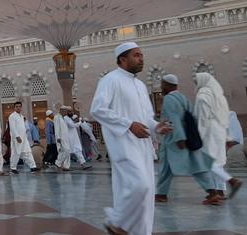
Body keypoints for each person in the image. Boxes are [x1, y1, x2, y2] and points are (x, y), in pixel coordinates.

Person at [90, 42, 171, 235]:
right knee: (139, 186)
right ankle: (117, 222)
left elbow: (146, 119)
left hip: (143, 146)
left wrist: (156, 127)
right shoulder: (110, 80)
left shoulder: (141, 85)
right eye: (136, 55)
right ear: (122, 59)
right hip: (123, 144)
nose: (141, 59)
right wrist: (128, 124)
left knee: (146, 195)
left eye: (141, 55)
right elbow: (97, 109)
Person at [154, 74, 217, 205]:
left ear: (167, 85)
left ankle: (161, 194)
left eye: (162, 84)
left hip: (174, 140)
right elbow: (192, 117)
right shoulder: (183, 97)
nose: (161, 87)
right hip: (187, 138)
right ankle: (161, 193)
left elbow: (174, 119)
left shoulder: (169, 99)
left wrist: (180, 138)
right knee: (187, 165)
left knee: (169, 164)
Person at [194, 72, 243, 199]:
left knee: (209, 163)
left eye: (196, 81)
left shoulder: (202, 95)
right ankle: (220, 190)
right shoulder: (216, 94)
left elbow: (203, 118)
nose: (195, 83)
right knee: (218, 162)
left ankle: (232, 181)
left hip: (209, 132)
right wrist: (226, 136)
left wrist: (199, 135)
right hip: (219, 130)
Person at [8, 102, 39, 174]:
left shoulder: (21, 116)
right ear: (14, 107)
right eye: (17, 106)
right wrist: (17, 136)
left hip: (24, 139)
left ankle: (33, 167)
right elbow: (12, 128)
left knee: (27, 152)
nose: (18, 108)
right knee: (16, 153)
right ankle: (13, 168)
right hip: (17, 139)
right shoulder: (12, 116)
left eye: (19, 106)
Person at [53, 106, 72, 172]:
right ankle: (58, 162)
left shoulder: (64, 118)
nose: (66, 112)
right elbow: (57, 128)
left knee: (67, 151)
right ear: (61, 110)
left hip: (66, 137)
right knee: (66, 150)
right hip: (61, 138)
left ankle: (66, 166)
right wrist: (58, 137)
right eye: (65, 111)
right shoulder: (57, 117)